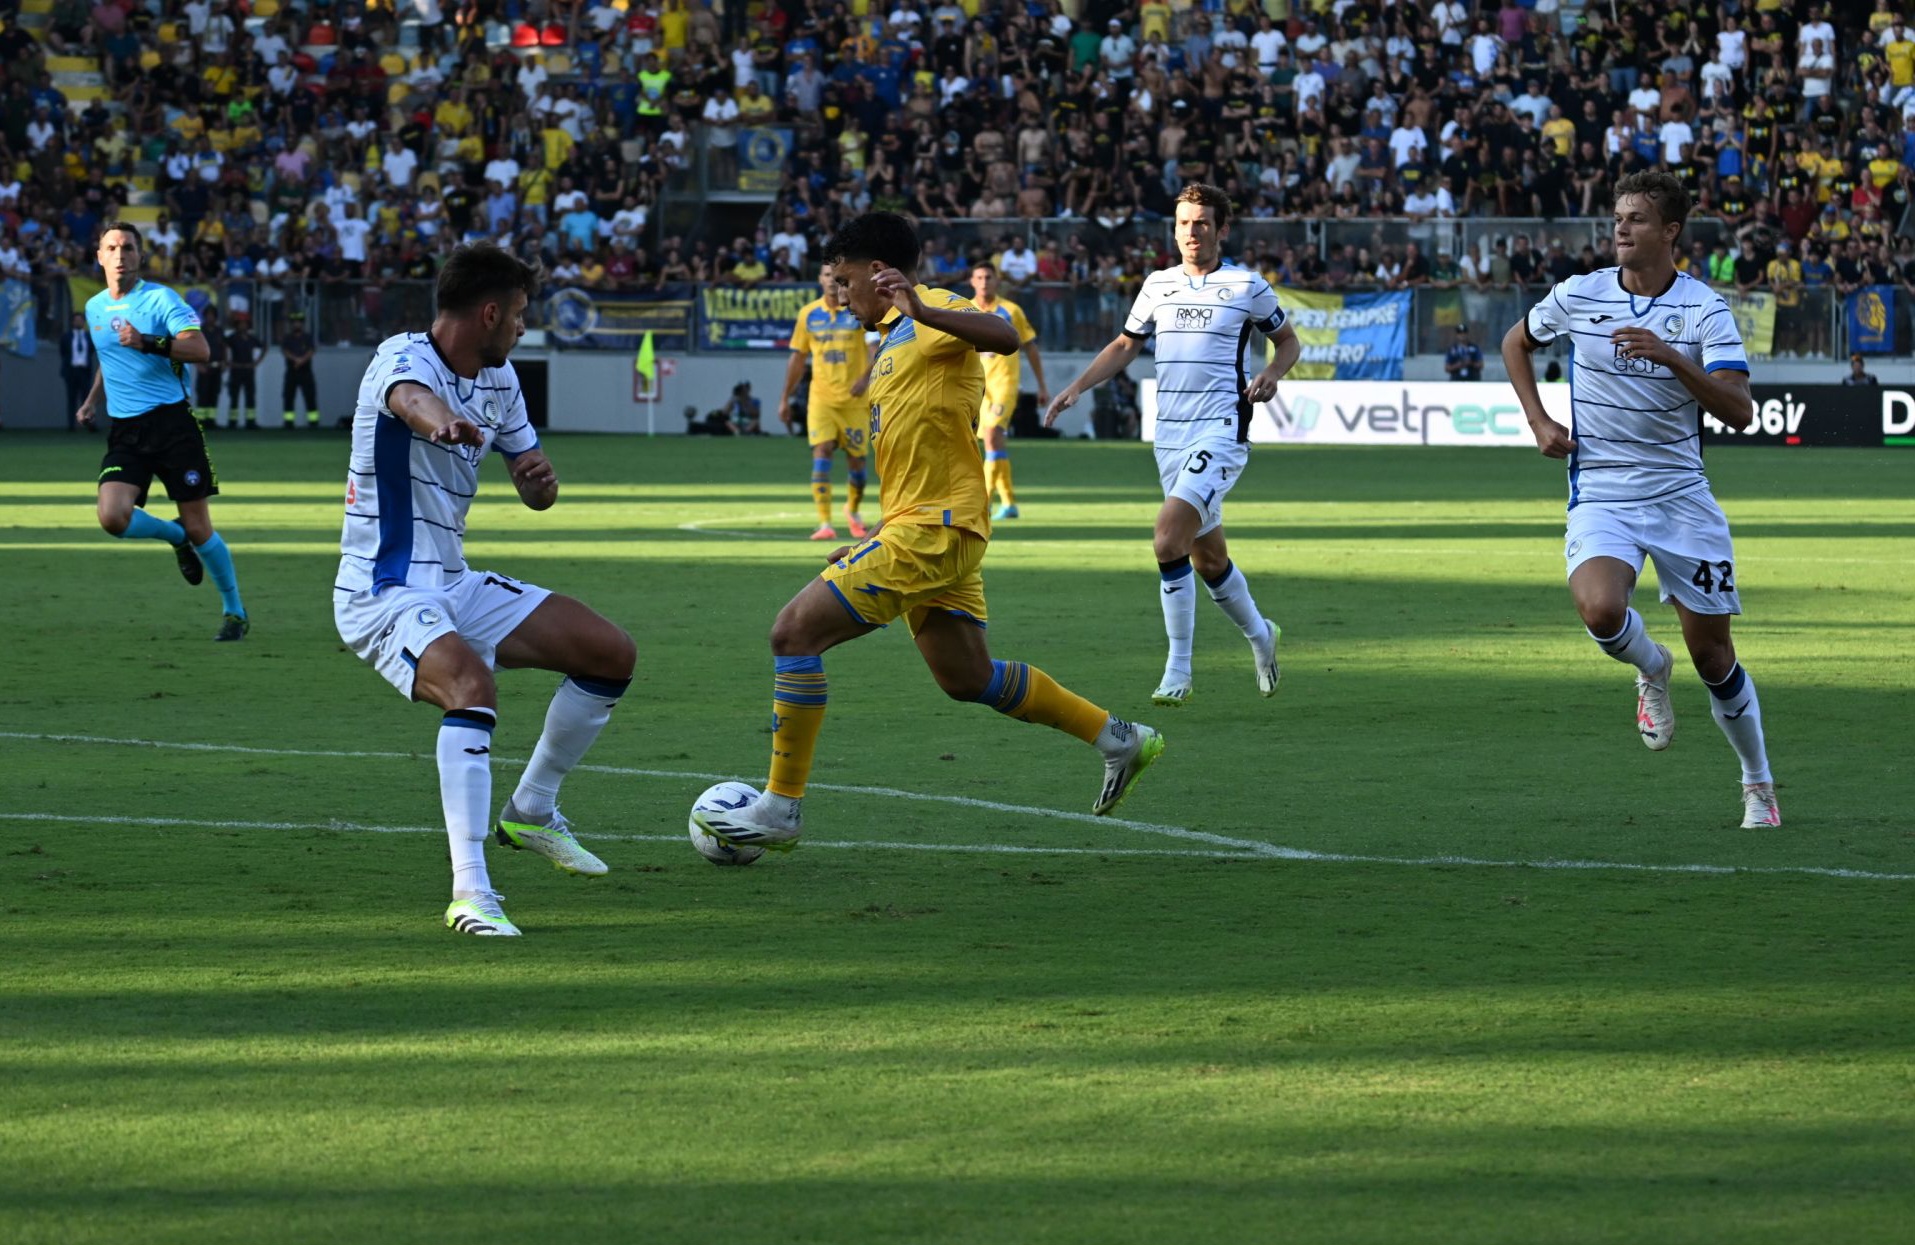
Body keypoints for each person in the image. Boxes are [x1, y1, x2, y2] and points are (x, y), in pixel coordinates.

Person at [692, 212, 1165, 853]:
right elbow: (920, 456)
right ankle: (1119, 738)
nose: (840, 294)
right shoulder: (891, 340)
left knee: (792, 632)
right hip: (925, 527)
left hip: (937, 531)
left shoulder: (933, 309)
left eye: (845, 280)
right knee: (967, 679)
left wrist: (918, 305)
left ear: (879, 273)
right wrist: (870, 540)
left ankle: (780, 808)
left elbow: (1000, 334)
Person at [334, 241, 637, 937]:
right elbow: (408, 399)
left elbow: (530, 472)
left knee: (608, 652)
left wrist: (539, 483)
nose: (525, 327)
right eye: (522, 314)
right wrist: (433, 418)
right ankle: (472, 891)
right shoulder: (401, 360)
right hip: (382, 589)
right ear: (491, 312)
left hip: (453, 580)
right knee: (471, 687)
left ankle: (530, 810)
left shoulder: (500, 380)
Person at [1500, 170, 1778, 830]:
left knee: (1714, 658)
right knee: (1599, 609)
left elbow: (1739, 410)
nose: (1619, 228)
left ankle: (1756, 782)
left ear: (1669, 232)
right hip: (1601, 490)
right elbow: (1515, 342)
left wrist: (1670, 358)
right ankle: (1650, 666)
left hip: (1681, 497)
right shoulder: (1578, 295)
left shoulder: (1703, 310)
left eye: (1636, 219)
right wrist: (1539, 422)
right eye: (1617, 217)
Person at [1045, 183, 1298, 707]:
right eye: (1183, 222)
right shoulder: (1158, 285)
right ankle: (1260, 636)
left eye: (1202, 222)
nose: (1191, 232)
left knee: (1166, 539)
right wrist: (1076, 387)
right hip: (1170, 436)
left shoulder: (1247, 286)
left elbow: (1288, 341)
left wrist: (1273, 371)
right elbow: (1124, 345)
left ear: (1222, 229)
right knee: (1208, 559)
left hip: (1221, 429)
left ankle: (1177, 669)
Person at [76, 223, 249, 641]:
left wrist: (149, 342)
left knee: (200, 527)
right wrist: (91, 400)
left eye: (129, 248)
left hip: (173, 426)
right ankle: (174, 537)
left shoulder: (161, 299)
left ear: (140, 256)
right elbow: (109, 358)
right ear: (99, 256)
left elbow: (201, 349)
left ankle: (234, 611)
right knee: (112, 517)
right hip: (126, 430)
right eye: (112, 248)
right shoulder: (95, 307)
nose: (121, 255)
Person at [777, 262, 876, 541]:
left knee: (857, 464)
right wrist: (784, 398)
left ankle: (853, 511)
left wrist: (866, 378)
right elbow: (797, 358)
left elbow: (875, 348)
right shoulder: (808, 315)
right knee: (822, 453)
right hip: (821, 398)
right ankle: (824, 523)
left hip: (855, 400)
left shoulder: (857, 309)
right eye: (826, 275)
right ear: (819, 280)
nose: (831, 280)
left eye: (836, 276)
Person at [967, 262, 1051, 519]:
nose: (984, 282)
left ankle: (983, 503)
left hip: (1004, 385)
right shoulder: (964, 310)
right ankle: (1009, 503)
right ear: (972, 281)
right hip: (975, 387)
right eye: (979, 277)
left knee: (992, 435)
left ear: (997, 281)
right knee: (992, 444)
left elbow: (1030, 347)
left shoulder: (1011, 311)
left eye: (988, 277)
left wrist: (1041, 386)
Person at [192, 305, 229, 429]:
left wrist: (225, 361)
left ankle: (212, 421)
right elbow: (194, 348)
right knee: (203, 393)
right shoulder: (199, 331)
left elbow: (224, 347)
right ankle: (202, 421)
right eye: (208, 315)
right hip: (204, 366)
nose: (210, 318)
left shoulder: (219, 331)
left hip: (217, 367)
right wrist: (198, 365)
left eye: (212, 315)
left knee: (214, 393)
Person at [281, 308, 320, 427]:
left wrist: (302, 360)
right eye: (294, 322)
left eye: (298, 321)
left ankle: (313, 422)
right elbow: (285, 351)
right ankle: (288, 422)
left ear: (302, 323)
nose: (296, 324)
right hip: (291, 372)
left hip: (305, 371)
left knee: (310, 396)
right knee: (288, 396)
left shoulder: (307, 337)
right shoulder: (287, 338)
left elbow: (311, 351)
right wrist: (296, 359)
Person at [60, 310, 96, 431]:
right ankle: (71, 426)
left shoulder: (88, 336)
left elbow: (91, 351)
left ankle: (90, 424)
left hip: (85, 371)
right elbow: (63, 352)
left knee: (88, 399)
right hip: (71, 372)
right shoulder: (66, 337)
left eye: (81, 320)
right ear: (72, 322)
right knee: (72, 399)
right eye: (76, 320)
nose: (78, 322)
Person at [225, 311, 261, 431]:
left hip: (248, 370)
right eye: (240, 323)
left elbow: (263, 347)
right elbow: (222, 346)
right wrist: (227, 361)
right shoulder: (232, 338)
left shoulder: (252, 338)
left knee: (250, 396)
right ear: (236, 325)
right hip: (236, 370)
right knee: (234, 396)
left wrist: (256, 362)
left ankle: (250, 422)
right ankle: (232, 422)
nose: (243, 326)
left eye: (245, 323)